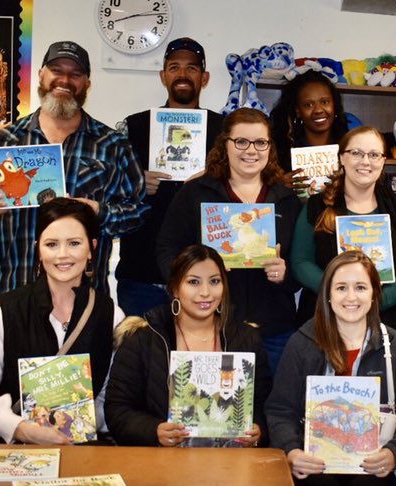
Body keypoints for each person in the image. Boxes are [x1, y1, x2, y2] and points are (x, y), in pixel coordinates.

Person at [0, 41, 146, 296]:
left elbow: (138, 212)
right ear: (41, 75)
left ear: (87, 84)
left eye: (75, 74)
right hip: (15, 292)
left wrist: (99, 212)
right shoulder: (4, 141)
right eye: (56, 70)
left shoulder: (113, 145)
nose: (64, 80)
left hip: (83, 298)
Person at [0, 198, 122, 443]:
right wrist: (21, 429)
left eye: (74, 243)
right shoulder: (4, 311)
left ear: (92, 248)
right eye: (51, 244)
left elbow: (111, 399)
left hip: (84, 450)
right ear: (38, 249)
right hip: (14, 450)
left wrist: (82, 424)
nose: (63, 255)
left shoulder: (111, 315)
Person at [156, 108, 301, 373]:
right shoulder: (196, 193)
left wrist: (285, 274)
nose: (251, 151)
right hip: (209, 327)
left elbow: (301, 262)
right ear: (225, 144)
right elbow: (167, 248)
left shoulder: (287, 200)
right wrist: (195, 274)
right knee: (209, 398)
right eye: (241, 141)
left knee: (272, 398)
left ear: (270, 147)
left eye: (260, 142)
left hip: (274, 329)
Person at [266, 251, 396, 486]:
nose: (351, 297)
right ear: (328, 295)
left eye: (360, 287)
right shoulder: (302, 343)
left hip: (375, 471)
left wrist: (395, 453)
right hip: (314, 468)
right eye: (341, 288)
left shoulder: (395, 346)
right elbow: (281, 410)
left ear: (374, 294)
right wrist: (291, 452)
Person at [105, 244, 271, 448]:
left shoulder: (247, 338)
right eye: (193, 282)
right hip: (163, 462)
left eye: (214, 281)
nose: (205, 292)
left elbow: (266, 405)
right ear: (175, 288)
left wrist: (258, 431)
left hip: (230, 461)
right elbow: (117, 410)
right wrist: (154, 430)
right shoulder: (144, 339)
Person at [116, 37, 226, 317]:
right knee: (140, 346)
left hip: (206, 280)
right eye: (174, 67)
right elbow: (108, 188)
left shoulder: (225, 131)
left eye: (192, 68)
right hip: (142, 278)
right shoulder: (133, 126)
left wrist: (216, 178)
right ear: (163, 76)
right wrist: (135, 183)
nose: (183, 74)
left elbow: (245, 189)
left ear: (204, 78)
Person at [291, 126, 396, 338]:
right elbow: (300, 262)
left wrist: (383, 298)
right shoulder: (316, 206)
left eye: (374, 155)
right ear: (341, 158)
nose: (365, 161)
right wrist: (338, 292)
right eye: (356, 153)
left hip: (388, 322)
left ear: (383, 161)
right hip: (326, 322)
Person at [269, 69, 352, 175]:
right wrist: (282, 183)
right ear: (298, 111)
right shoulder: (281, 151)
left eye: (324, 102)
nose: (318, 110)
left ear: (334, 105)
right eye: (308, 105)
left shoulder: (350, 148)